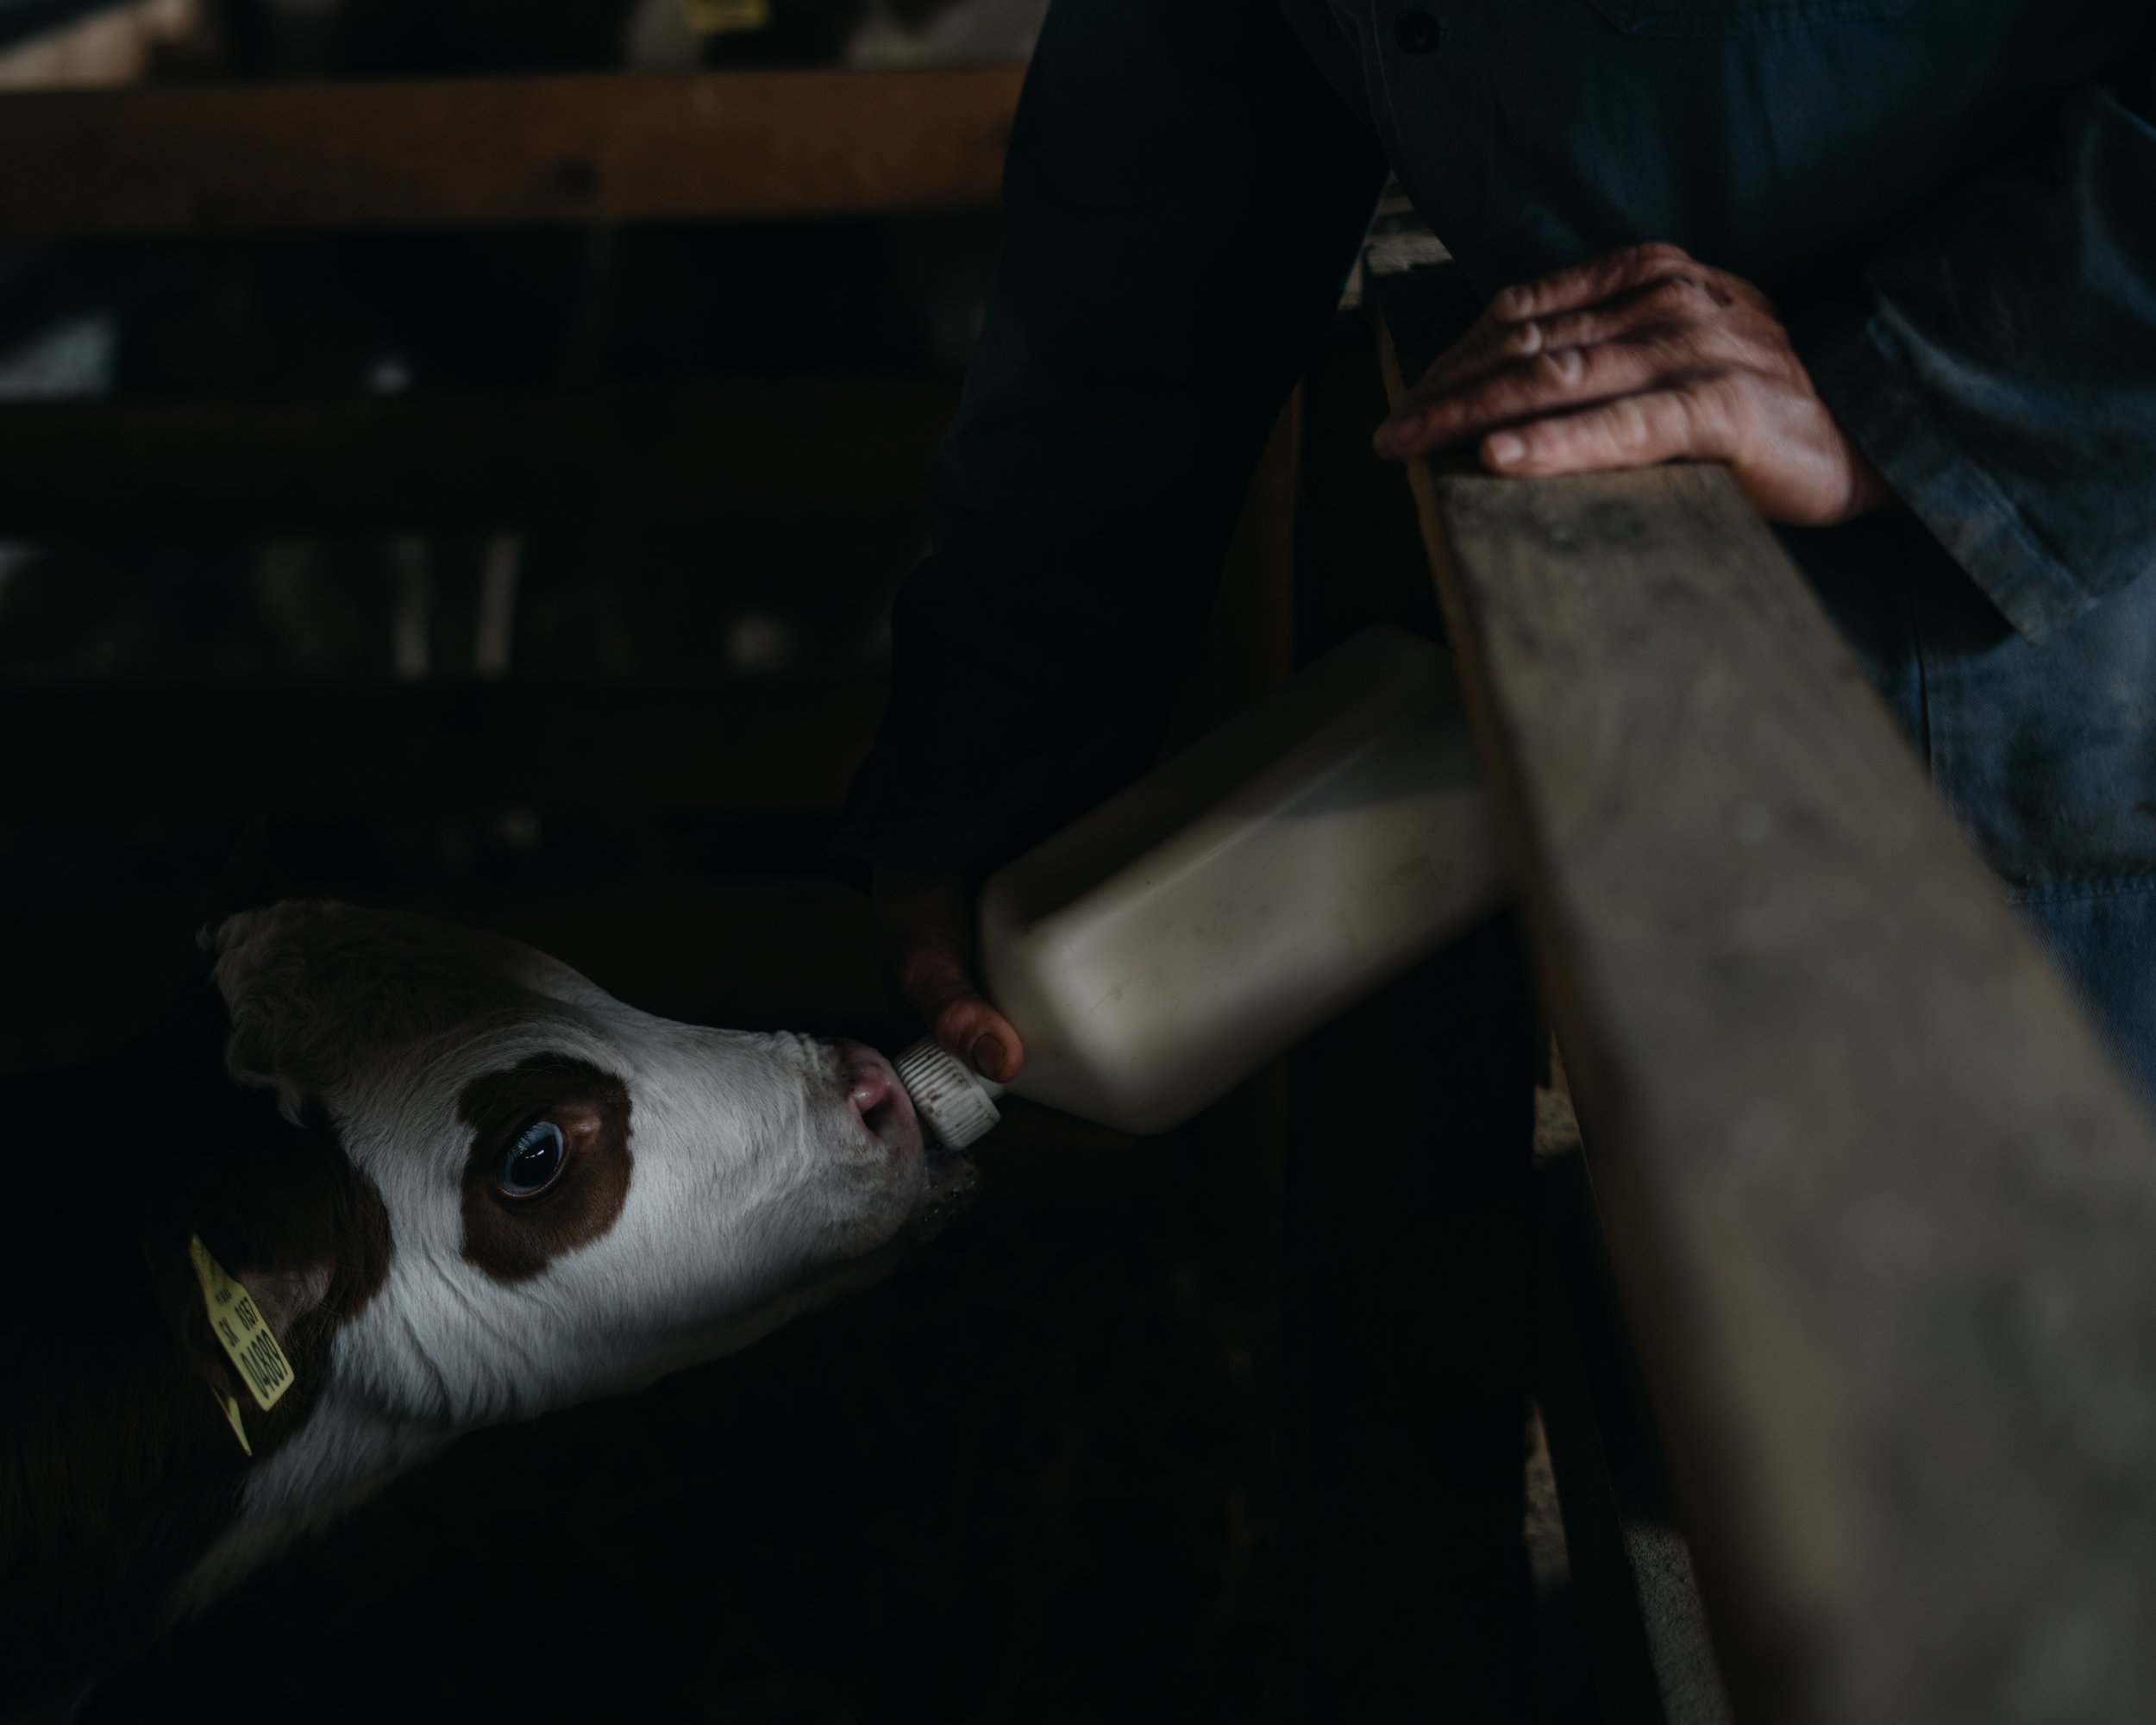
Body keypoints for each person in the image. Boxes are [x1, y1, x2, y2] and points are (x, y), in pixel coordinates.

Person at [836, 0, 2156, 1101]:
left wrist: (1928, 379)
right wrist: (983, 774)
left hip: (2064, 690)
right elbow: (1140, 241)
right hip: (1651, 714)